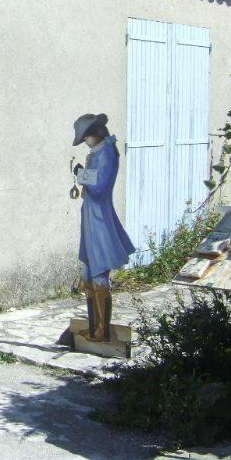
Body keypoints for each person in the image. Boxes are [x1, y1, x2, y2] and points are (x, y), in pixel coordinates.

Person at [72, 113, 135, 342]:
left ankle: (102, 330)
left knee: (98, 272)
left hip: (99, 219)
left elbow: (99, 186)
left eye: (87, 136)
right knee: (88, 273)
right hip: (90, 218)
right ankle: (94, 327)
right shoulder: (97, 152)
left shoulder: (107, 152)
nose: (86, 141)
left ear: (96, 134)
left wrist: (81, 175)